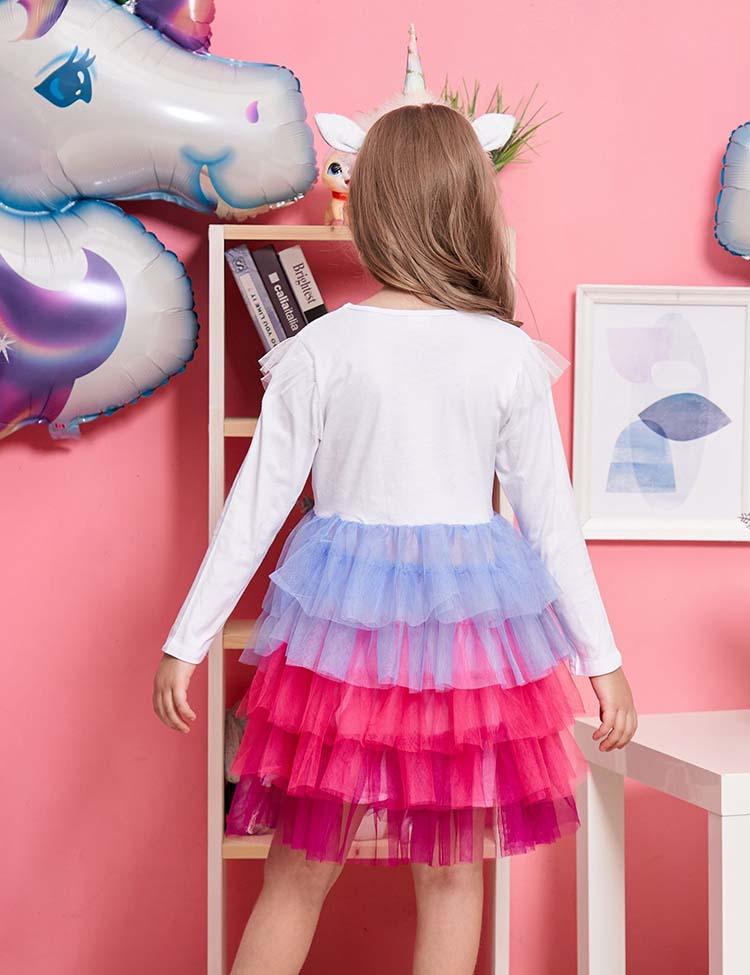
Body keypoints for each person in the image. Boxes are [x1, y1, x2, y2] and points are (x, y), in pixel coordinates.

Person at [153, 102, 637, 975]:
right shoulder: (504, 355)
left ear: (370, 207)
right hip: (463, 638)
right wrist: (601, 661)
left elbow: (252, 510)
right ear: (469, 205)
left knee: (297, 874)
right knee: (450, 877)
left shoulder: (323, 348)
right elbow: (551, 523)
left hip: (342, 633)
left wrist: (187, 640)